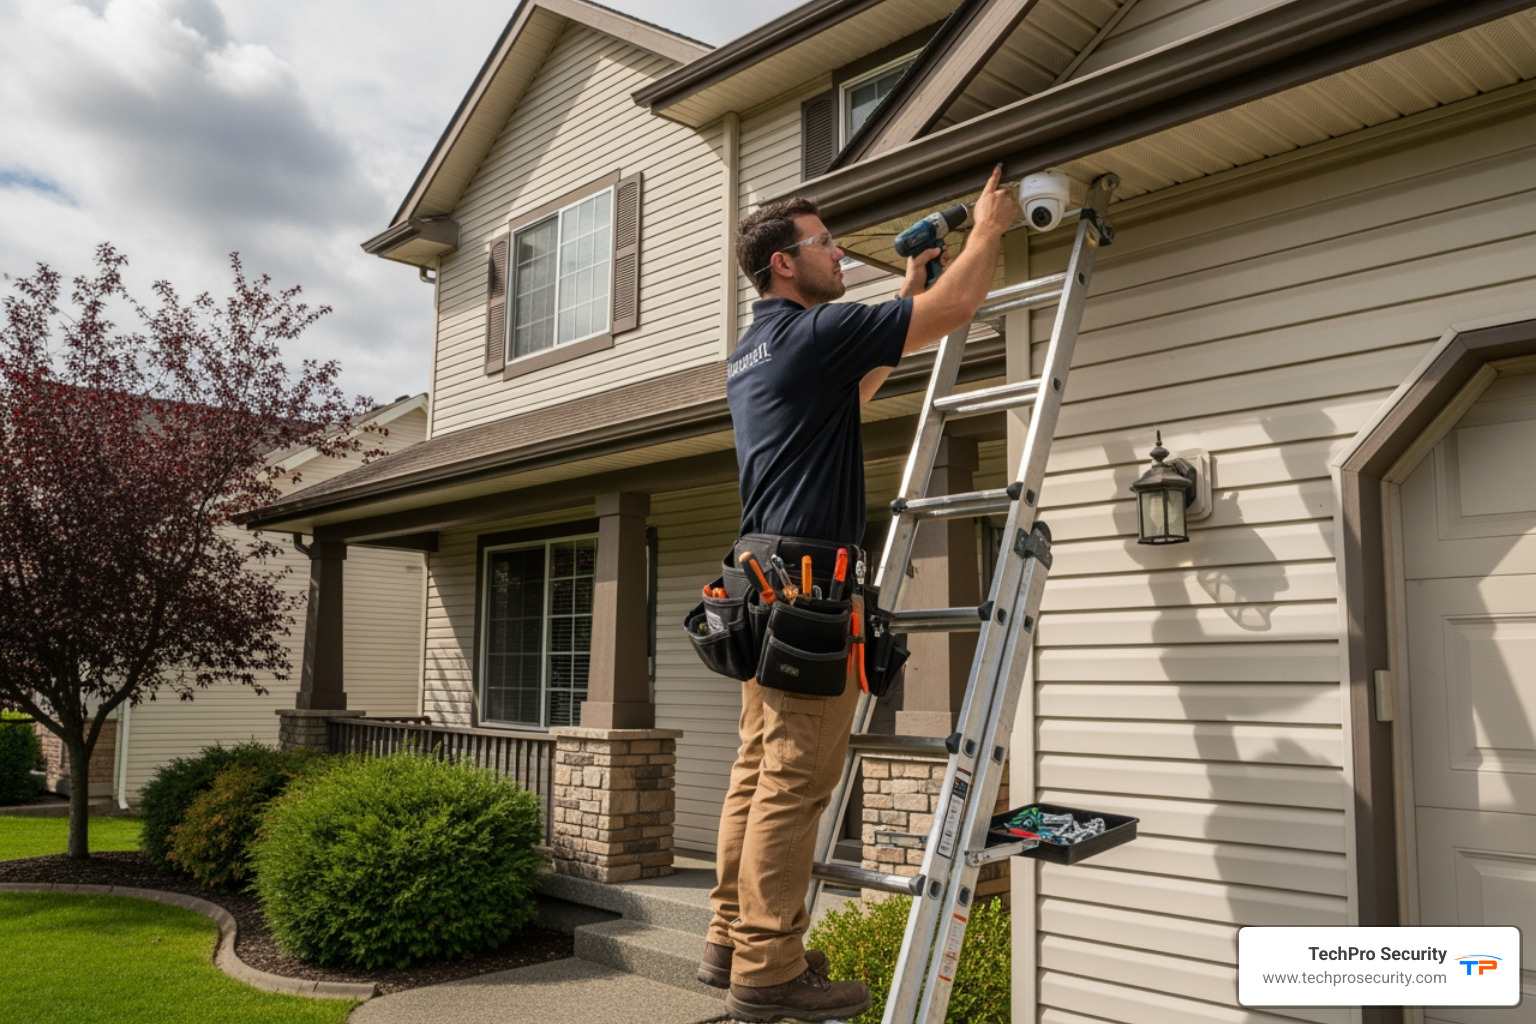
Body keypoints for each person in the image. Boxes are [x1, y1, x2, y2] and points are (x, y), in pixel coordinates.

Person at [702, 166, 1020, 1024]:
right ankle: (769, 972)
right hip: (807, 593)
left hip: (763, 588)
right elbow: (954, 313)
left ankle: (730, 936)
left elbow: (855, 388)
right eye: (823, 244)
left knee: (756, 769)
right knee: (796, 782)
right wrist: (990, 227)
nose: (839, 253)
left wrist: (904, 291)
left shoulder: (757, 350)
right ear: (781, 264)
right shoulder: (812, 335)